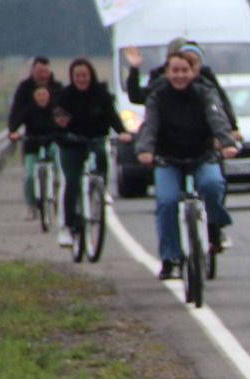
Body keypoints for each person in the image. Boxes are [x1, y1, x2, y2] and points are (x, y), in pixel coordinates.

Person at [135, 50, 239, 280]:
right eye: (175, 70)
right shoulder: (158, 96)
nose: (180, 75)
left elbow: (217, 119)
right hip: (168, 159)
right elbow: (150, 125)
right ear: (167, 72)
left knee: (213, 185)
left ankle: (214, 227)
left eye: (185, 70)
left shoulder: (205, 93)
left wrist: (226, 142)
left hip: (201, 155)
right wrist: (145, 150)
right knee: (167, 200)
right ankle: (170, 258)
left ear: (193, 72)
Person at [50, 58, 131, 247]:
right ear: (72, 77)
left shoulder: (101, 93)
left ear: (91, 75)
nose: (81, 79)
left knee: (102, 156)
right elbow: (55, 119)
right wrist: (60, 127)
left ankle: (100, 189)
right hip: (71, 143)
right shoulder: (65, 96)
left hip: (95, 139)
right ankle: (68, 226)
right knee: (72, 181)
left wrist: (123, 133)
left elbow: (112, 116)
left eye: (84, 75)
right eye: (77, 76)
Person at [8, 80, 61, 220]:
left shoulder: (55, 110)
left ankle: (58, 180)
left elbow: (65, 122)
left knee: (57, 153)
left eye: (44, 95)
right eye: (39, 95)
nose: (42, 98)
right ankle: (31, 205)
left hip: (50, 143)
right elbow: (15, 123)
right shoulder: (29, 110)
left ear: (49, 95)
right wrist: (13, 132)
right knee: (29, 176)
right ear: (34, 97)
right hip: (33, 146)